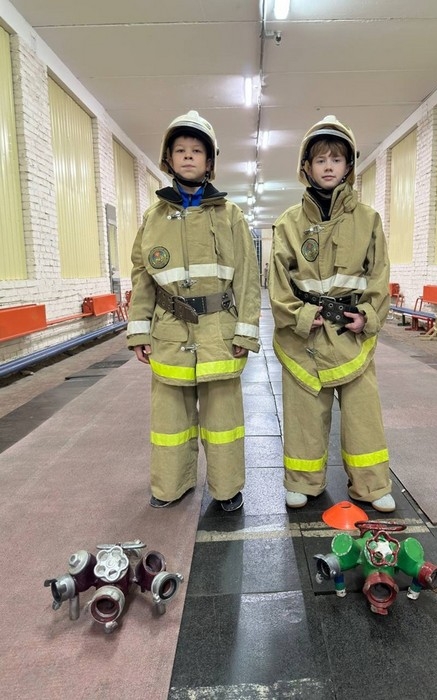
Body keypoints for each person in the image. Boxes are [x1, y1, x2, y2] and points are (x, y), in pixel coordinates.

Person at [127, 110, 260, 511]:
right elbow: (142, 277)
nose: (188, 156)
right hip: (169, 332)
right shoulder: (153, 218)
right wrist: (139, 330)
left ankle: (227, 488)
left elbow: (247, 277)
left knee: (223, 420)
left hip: (219, 332)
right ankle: (171, 485)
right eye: (180, 150)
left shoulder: (230, 215)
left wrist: (246, 330)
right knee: (169, 420)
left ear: (209, 161)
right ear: (168, 158)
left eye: (197, 150)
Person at [268, 114, 395, 513]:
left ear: (348, 166)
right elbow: (277, 283)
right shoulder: (288, 223)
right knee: (303, 413)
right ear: (305, 167)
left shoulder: (368, 220)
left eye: (336, 159)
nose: (328, 166)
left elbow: (379, 274)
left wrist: (368, 316)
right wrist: (301, 317)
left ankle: (372, 485)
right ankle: (303, 482)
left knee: (363, 415)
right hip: (303, 338)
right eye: (320, 159)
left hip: (350, 334)